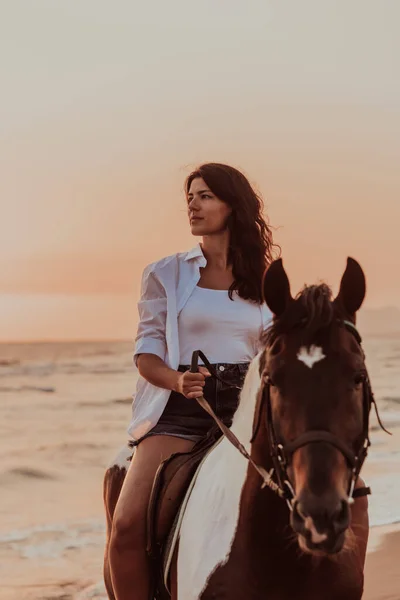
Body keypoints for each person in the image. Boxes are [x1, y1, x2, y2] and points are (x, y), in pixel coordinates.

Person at [108, 162, 277, 599]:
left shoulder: (264, 279)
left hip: (248, 416)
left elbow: (275, 354)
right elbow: (146, 356)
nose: (193, 205)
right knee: (126, 528)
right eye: (190, 197)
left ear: (232, 206)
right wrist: (178, 381)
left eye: (205, 196)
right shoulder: (166, 273)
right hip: (180, 415)